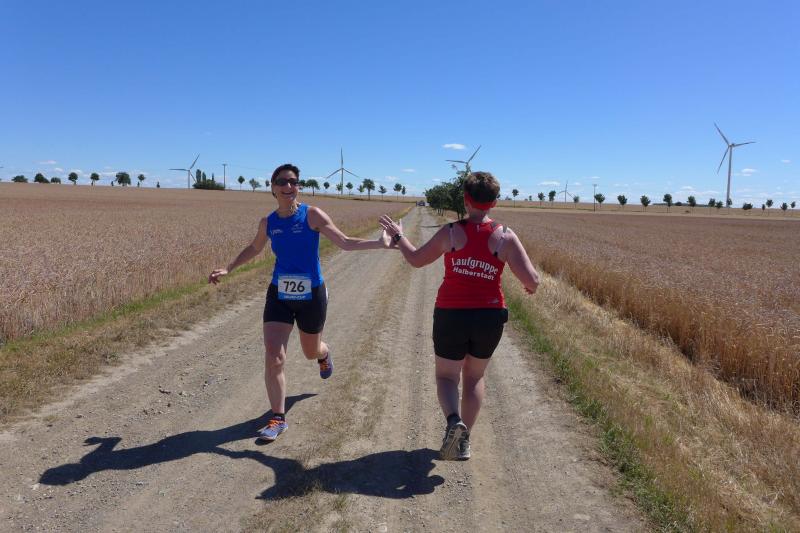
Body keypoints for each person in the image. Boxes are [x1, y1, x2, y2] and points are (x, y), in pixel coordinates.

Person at [209, 163, 390, 442]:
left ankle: (323, 354)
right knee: (274, 356)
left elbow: (344, 242)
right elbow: (255, 248)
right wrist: (228, 268)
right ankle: (278, 418)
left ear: (298, 186)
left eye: (293, 181)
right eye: (282, 181)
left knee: (310, 351)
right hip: (279, 295)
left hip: (311, 295)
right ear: (273, 187)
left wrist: (380, 243)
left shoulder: (312, 215)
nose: (288, 186)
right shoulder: (268, 222)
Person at [379, 171, 540, 460]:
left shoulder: (451, 233)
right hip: (489, 317)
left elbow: (416, 259)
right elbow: (532, 280)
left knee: (446, 376)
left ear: (465, 199)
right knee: (474, 377)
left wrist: (399, 236)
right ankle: (463, 443)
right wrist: (529, 286)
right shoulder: (505, 236)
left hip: (451, 314)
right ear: (494, 202)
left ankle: (454, 421)